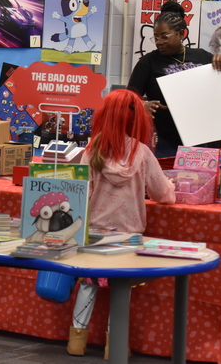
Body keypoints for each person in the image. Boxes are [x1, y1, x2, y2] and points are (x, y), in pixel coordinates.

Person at [67, 89, 176, 357]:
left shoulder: (93, 150)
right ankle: (113, 346)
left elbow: (82, 192)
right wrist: (172, 187)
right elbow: (162, 193)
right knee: (121, 288)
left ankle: (76, 342)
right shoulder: (142, 153)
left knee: (89, 283)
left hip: (95, 233)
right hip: (129, 235)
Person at [127, 0, 221, 158]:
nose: (159, 43)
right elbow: (128, 100)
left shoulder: (202, 57)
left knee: (199, 175)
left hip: (200, 140)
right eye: (156, 37)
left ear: (181, 34)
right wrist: (142, 105)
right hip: (165, 142)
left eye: (164, 37)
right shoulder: (148, 63)